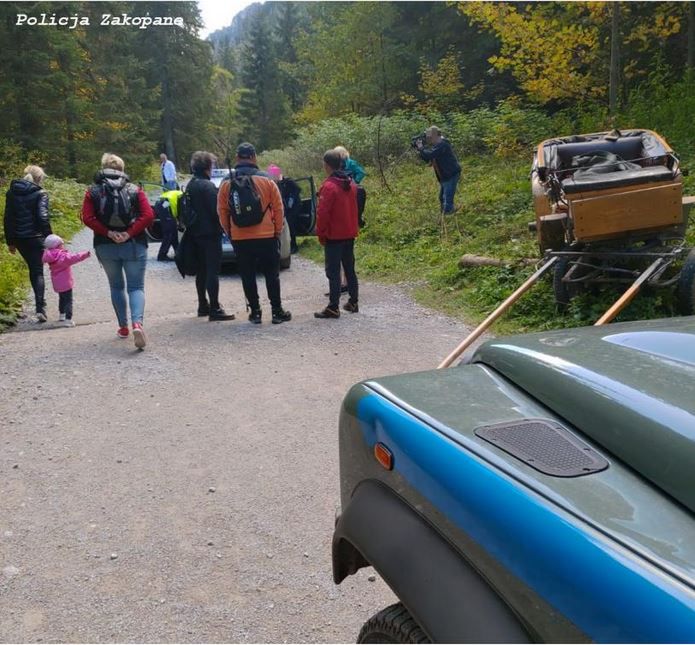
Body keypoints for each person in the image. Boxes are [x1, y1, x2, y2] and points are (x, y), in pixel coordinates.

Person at [81, 153, 154, 349]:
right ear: (121, 169)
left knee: (116, 287)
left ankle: (123, 327)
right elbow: (148, 215)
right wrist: (129, 233)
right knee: (136, 287)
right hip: (134, 244)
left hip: (105, 245)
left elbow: (87, 217)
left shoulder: (93, 191)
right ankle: (137, 323)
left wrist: (108, 232)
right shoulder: (134, 189)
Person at [217, 143, 291, 325]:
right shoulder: (267, 180)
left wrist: (230, 231)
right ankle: (276, 311)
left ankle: (255, 313)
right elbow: (278, 208)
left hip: (241, 237)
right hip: (266, 235)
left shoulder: (227, 181)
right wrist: (277, 230)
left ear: (237, 158)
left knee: (247, 275)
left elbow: (222, 211)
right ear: (254, 157)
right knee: (271, 274)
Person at [184, 151, 235, 321]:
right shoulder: (207, 186)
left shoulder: (191, 184)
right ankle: (215, 308)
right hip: (210, 233)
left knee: (202, 271)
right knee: (213, 270)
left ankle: (202, 305)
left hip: (195, 233)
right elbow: (217, 210)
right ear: (208, 167)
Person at [3, 165, 53, 322]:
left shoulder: (11, 193)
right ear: (39, 178)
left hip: (20, 239)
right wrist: (50, 238)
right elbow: (43, 217)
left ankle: (40, 305)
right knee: (37, 270)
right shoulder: (40, 193)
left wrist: (10, 241)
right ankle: (40, 308)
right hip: (36, 238)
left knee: (33, 269)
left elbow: (8, 218)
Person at [314, 149, 359, 319]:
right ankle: (353, 302)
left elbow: (323, 213)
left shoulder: (329, 186)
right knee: (349, 269)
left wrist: (321, 233)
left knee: (333, 272)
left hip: (334, 236)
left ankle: (333, 307)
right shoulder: (351, 183)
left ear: (326, 165)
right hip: (349, 233)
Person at [42, 234, 90, 327]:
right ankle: (68, 319)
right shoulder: (62, 257)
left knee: (62, 299)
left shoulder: (49, 256)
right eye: (61, 244)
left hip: (57, 283)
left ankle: (62, 315)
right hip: (66, 283)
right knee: (68, 301)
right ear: (58, 246)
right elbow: (74, 257)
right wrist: (85, 254)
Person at [415, 125, 461, 214]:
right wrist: (420, 149)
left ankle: (449, 214)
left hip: (451, 174)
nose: (429, 140)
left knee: (447, 197)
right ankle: (445, 212)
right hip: (445, 176)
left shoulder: (443, 144)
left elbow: (430, 155)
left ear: (435, 136)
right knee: (441, 197)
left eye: (430, 138)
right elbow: (427, 157)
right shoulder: (438, 145)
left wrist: (421, 147)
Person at [267, 164, 301, 254]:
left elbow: (297, 190)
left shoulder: (288, 182)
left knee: (290, 225)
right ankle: (284, 246)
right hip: (284, 209)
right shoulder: (275, 184)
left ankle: (294, 246)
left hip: (293, 208)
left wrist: (290, 200)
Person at [155, 188, 181, 261]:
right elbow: (182, 211)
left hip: (161, 203)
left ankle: (179, 253)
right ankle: (162, 255)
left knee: (173, 232)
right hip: (165, 204)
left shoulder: (178, 193)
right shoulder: (182, 195)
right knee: (169, 232)